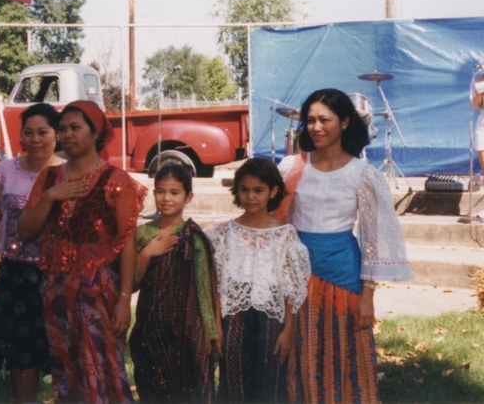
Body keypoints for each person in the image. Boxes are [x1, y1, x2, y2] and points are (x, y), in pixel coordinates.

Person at [275, 88, 413, 402]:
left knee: (346, 355)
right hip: (298, 276)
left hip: (343, 275)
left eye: (325, 119)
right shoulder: (291, 166)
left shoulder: (362, 174)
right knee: (303, 352)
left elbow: (375, 238)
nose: (316, 127)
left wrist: (368, 296)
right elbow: (278, 223)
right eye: (311, 120)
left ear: (345, 122)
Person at [18, 100, 146, 403]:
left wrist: (124, 300)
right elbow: (24, 232)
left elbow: (127, 244)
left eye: (75, 128)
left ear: (95, 133)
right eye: (62, 129)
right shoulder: (49, 178)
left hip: (99, 289)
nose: (67, 135)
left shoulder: (116, 180)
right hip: (56, 288)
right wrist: (50, 197)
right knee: (67, 368)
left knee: (103, 367)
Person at [211, 158, 310, 402]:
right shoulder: (224, 234)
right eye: (244, 190)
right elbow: (218, 285)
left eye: (258, 190)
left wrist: (288, 329)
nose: (250, 197)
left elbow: (291, 288)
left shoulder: (284, 235)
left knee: (270, 384)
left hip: (271, 320)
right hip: (233, 319)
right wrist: (216, 326)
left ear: (273, 191)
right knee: (233, 382)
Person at [0, 103, 63, 403]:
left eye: (43, 132)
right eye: (28, 132)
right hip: (16, 276)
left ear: (56, 135)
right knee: (22, 354)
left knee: (61, 351)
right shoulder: (5, 171)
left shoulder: (66, 173)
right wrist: (10, 242)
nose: (35, 139)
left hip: (57, 275)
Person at [129, 163, 220, 403]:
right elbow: (131, 284)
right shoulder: (141, 235)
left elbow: (204, 287)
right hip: (151, 327)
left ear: (188, 197)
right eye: (160, 191)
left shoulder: (194, 237)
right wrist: (146, 253)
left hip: (187, 332)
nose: (166, 198)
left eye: (174, 192)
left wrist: (210, 332)